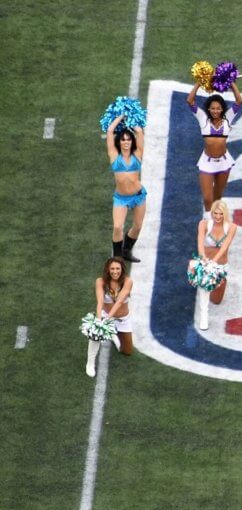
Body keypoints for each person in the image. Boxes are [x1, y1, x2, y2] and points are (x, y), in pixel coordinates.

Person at [186, 81, 242, 219]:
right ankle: (207, 222)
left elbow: (239, 101)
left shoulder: (227, 118)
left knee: (217, 198)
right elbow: (190, 101)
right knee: (207, 198)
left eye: (218, 108)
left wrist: (231, 83)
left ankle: (215, 224)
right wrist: (199, 83)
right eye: (213, 108)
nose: (215, 111)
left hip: (224, 162)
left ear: (222, 109)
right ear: (208, 109)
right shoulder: (203, 118)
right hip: (207, 162)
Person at [106, 116, 146, 263]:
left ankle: (126, 251)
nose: (126, 142)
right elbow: (110, 131)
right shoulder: (114, 156)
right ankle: (117, 258)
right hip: (121, 198)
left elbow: (139, 132)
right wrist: (121, 116)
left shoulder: (138, 154)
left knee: (137, 226)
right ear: (119, 142)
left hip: (139, 196)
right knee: (117, 227)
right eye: (123, 140)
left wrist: (131, 118)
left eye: (129, 139)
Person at [192, 200, 237, 330]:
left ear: (225, 214)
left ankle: (217, 283)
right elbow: (200, 242)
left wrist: (214, 262)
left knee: (217, 301)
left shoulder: (232, 227)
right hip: (205, 262)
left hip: (221, 265)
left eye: (220, 214)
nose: (217, 216)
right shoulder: (204, 224)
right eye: (215, 213)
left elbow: (225, 247)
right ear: (211, 213)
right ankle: (204, 316)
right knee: (205, 288)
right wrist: (203, 259)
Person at [86, 257, 134, 377]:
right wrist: (99, 321)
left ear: (122, 269)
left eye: (117, 268)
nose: (115, 271)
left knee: (127, 351)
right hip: (105, 316)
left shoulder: (128, 281)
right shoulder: (100, 281)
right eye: (112, 268)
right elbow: (100, 301)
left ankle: (113, 335)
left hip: (123, 319)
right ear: (108, 269)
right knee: (95, 334)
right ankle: (90, 363)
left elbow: (119, 302)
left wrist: (107, 320)